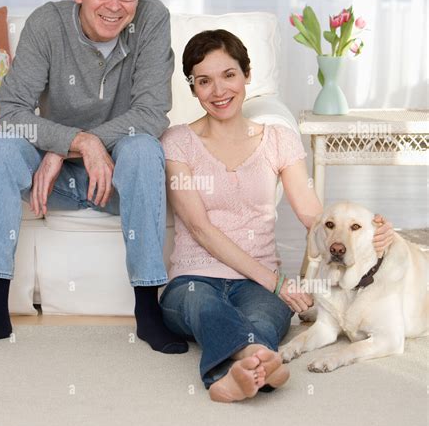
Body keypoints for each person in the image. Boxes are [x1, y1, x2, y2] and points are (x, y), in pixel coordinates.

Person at [0, 0, 188, 355]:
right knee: (1, 146)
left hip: (117, 179)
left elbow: (152, 112)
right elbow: (8, 112)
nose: (114, 5)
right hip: (55, 184)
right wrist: (74, 142)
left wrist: (82, 144)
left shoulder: (152, 19)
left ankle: (148, 313)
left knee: (143, 148)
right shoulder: (47, 24)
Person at [159, 29, 394, 402]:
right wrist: (277, 282)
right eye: (204, 81)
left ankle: (238, 374)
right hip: (193, 278)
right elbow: (201, 230)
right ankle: (258, 361)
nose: (218, 91)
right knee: (204, 306)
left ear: (247, 74)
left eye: (229, 75)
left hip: (259, 286)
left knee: (266, 319)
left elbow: (314, 218)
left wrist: (367, 231)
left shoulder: (278, 140)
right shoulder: (177, 142)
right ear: (193, 89)